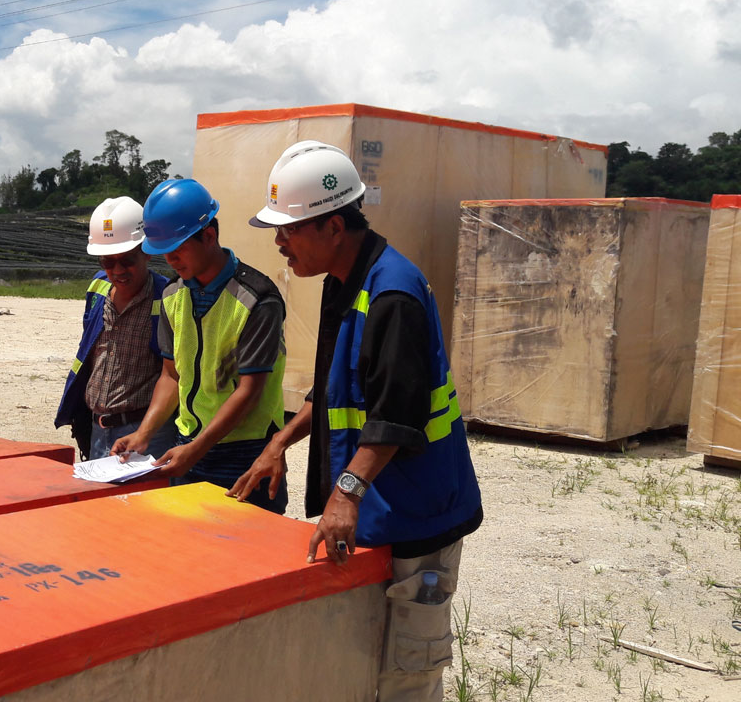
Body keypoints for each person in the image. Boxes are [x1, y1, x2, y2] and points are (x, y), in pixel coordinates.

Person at [227, 141, 483, 701]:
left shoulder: (392, 292)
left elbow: (397, 414)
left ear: (334, 226)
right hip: (380, 509)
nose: (279, 243)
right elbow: (336, 387)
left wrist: (345, 492)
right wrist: (281, 443)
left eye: (289, 230)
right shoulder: (345, 282)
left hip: (418, 514)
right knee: (365, 663)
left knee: (407, 674)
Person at [111, 178, 288, 514]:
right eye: (165, 252)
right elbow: (171, 376)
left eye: (178, 249)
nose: (171, 260)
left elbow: (249, 391)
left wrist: (197, 449)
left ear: (209, 236)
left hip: (244, 453)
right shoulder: (172, 295)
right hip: (187, 445)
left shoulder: (258, 299)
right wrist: (143, 434)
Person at [54, 196, 178, 462]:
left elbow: (174, 375)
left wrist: (146, 431)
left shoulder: (168, 297)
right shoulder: (97, 288)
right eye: (108, 262)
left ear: (146, 250)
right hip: (98, 428)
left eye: (127, 260)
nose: (117, 270)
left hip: (147, 431)